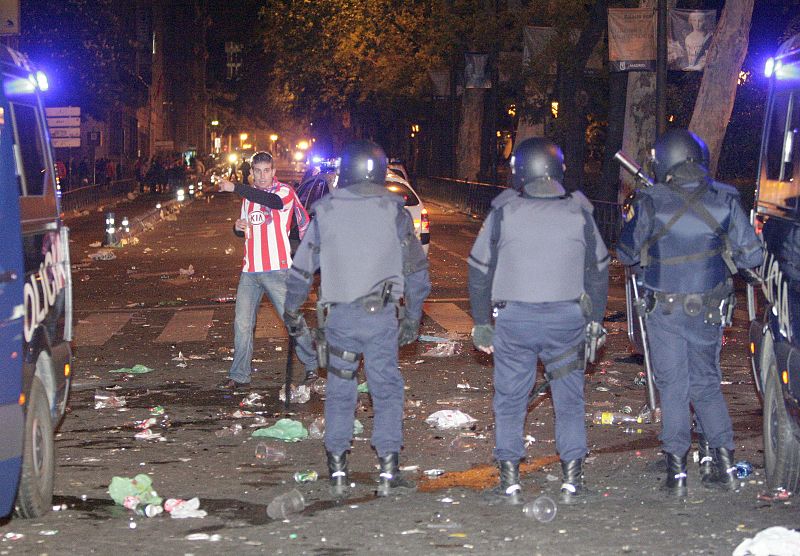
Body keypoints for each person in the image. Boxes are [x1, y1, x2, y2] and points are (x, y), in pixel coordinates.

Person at [617, 129, 763, 496]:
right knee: (707, 384)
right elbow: (753, 256)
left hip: (663, 310)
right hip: (710, 310)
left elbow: (626, 253)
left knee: (673, 387)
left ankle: (677, 474)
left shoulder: (650, 200)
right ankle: (725, 467)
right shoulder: (726, 198)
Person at [283, 140, 430, 497]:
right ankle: (389, 467)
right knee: (386, 388)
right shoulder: (395, 213)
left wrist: (291, 310)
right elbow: (416, 270)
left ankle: (336, 466)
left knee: (340, 389)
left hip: (340, 319)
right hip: (380, 317)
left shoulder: (327, 211)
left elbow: (303, 268)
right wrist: (412, 317)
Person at [468, 137, 609, 505]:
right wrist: (594, 320)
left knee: (510, 399)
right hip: (566, 321)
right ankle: (573, 481)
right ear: (558, 168)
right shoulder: (579, 211)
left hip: (516, 321)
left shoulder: (503, 210)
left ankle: (510, 481)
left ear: (519, 170)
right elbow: (599, 268)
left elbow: (479, 268)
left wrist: (482, 321)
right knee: (569, 398)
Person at [216, 151, 318, 390]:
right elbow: (245, 228)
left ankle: (312, 364)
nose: (262, 176)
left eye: (266, 171)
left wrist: (235, 187)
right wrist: (237, 227)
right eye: (257, 171)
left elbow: (273, 203)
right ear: (251, 173)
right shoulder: (248, 199)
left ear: (273, 172)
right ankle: (239, 375)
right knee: (242, 323)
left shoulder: (284, 192)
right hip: (250, 270)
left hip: (277, 269)